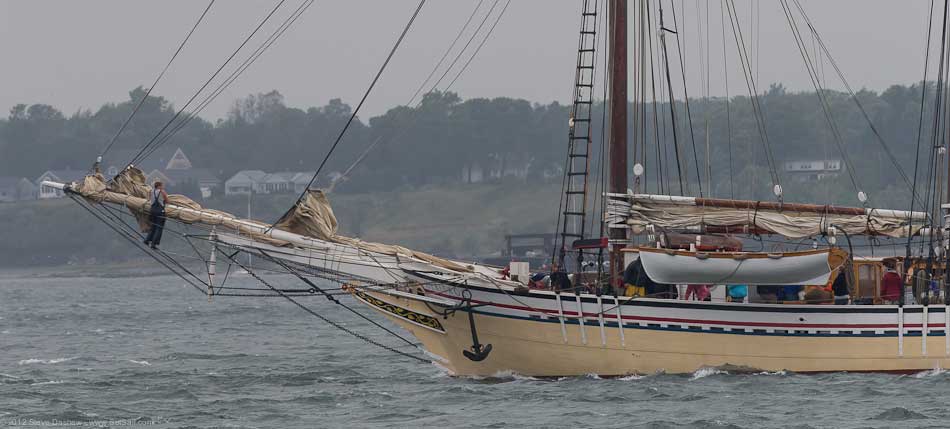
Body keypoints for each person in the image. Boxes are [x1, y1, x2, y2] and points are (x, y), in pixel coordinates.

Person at [143, 181, 168, 249]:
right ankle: (153, 244)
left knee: (153, 227)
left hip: (152, 211)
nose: (163, 187)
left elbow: (149, 199)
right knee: (159, 228)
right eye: (162, 186)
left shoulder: (151, 191)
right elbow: (167, 200)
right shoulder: (162, 191)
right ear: (159, 186)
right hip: (160, 212)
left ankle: (147, 240)